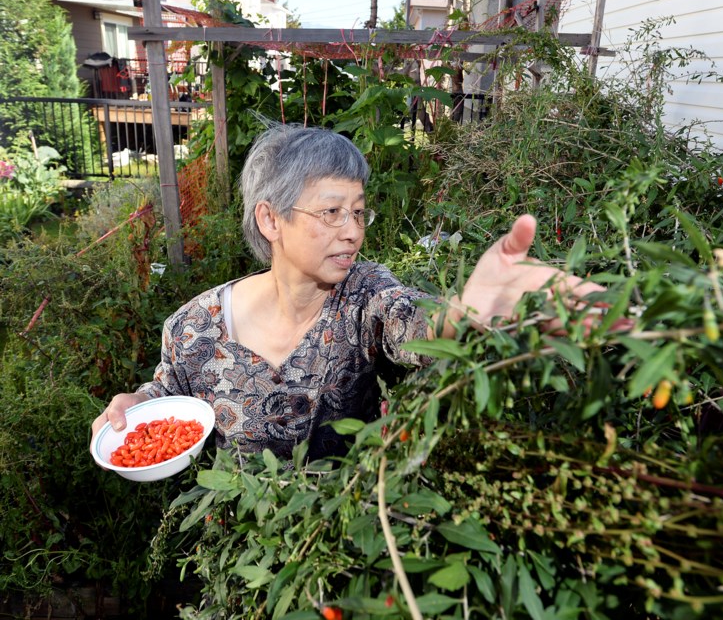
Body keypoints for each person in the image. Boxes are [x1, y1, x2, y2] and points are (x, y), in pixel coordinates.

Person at [90, 123, 603, 459]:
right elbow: (168, 396)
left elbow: (413, 322)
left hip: (340, 543)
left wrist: (469, 310)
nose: (353, 230)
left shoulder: (363, 295)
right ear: (271, 219)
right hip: (237, 545)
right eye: (331, 211)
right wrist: (133, 405)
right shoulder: (194, 327)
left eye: (358, 212)